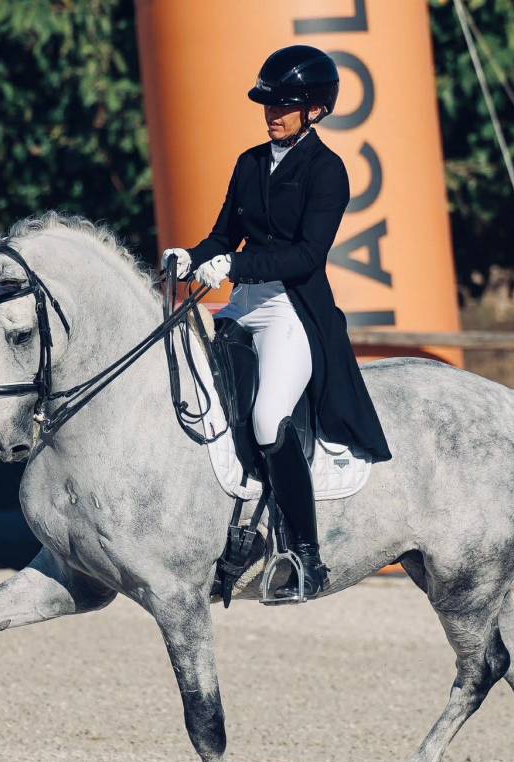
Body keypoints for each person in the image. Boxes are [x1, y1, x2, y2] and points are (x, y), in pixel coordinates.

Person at [162, 44, 392, 602]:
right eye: (269, 102)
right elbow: (224, 234)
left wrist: (234, 264)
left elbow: (306, 256)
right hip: (241, 305)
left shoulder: (327, 171)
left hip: (291, 309)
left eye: (285, 104)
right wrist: (192, 257)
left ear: (315, 110)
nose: (272, 113)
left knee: (268, 419)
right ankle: (228, 535)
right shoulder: (248, 162)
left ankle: (306, 558)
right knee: (207, 403)